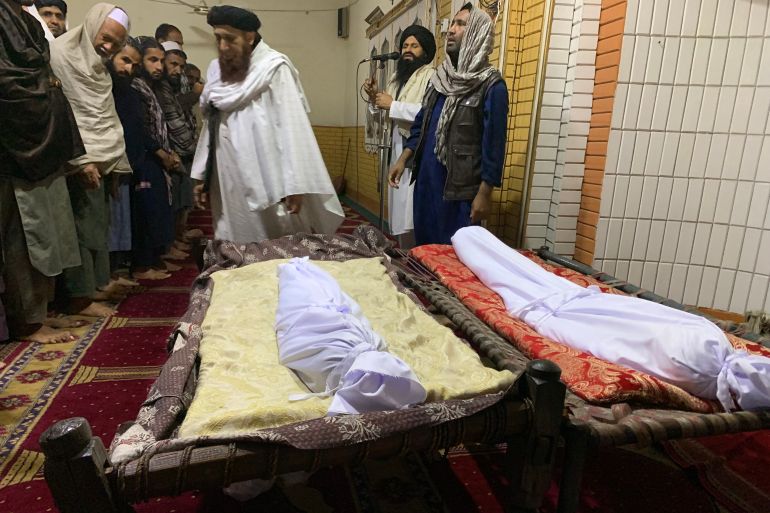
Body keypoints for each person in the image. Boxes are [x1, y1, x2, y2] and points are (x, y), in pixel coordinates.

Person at [191, 5, 344, 243]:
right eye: (218, 38)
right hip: (226, 171)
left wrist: (296, 184)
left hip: (266, 173)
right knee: (231, 234)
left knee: (271, 240)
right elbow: (211, 125)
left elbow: (293, 125)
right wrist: (203, 173)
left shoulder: (273, 67)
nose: (222, 46)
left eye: (229, 39)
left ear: (249, 37)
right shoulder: (215, 70)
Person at [0, 0, 85, 343]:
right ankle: (28, 323)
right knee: (23, 237)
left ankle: (42, 313)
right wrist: (46, 91)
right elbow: (9, 83)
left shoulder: (30, 23)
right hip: (14, 146)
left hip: (45, 137)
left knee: (50, 233)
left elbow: (44, 77)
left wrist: (49, 92)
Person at [389, 3, 508, 245]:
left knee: (453, 254)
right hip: (426, 184)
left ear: (477, 33)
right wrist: (403, 158)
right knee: (424, 251)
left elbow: (494, 145)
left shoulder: (491, 86)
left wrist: (485, 193)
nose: (451, 30)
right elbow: (422, 123)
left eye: (461, 24)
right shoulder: (439, 80)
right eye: (452, 23)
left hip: (459, 193)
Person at [50, 3, 132, 317]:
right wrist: (82, 160)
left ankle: (95, 286)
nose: (108, 47)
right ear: (92, 25)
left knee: (96, 226)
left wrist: (113, 162)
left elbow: (105, 116)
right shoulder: (61, 55)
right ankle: (79, 299)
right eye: (105, 38)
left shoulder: (98, 66)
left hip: (101, 160)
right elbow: (63, 114)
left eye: (116, 44)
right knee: (80, 231)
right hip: (74, 161)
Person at [363, 25, 436, 248]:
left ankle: (416, 257)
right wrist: (374, 97)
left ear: (425, 51)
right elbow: (383, 114)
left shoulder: (431, 76)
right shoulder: (396, 78)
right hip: (395, 149)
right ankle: (405, 254)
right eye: (405, 45)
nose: (408, 50)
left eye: (414, 46)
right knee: (399, 215)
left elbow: (428, 114)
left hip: (414, 152)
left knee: (411, 215)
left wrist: (393, 105)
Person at [129, 36, 179, 279]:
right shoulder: (135, 87)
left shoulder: (151, 87)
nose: (159, 66)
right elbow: (139, 129)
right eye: (152, 60)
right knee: (146, 210)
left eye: (161, 61)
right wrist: (160, 152)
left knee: (158, 208)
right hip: (145, 157)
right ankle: (143, 265)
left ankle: (156, 259)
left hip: (157, 156)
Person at [157, 41, 197, 250]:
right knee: (171, 204)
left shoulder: (174, 87)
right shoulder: (160, 87)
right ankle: (168, 246)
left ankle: (176, 240)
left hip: (182, 151)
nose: (178, 70)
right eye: (173, 64)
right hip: (171, 152)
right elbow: (172, 123)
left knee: (182, 200)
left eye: (181, 66)